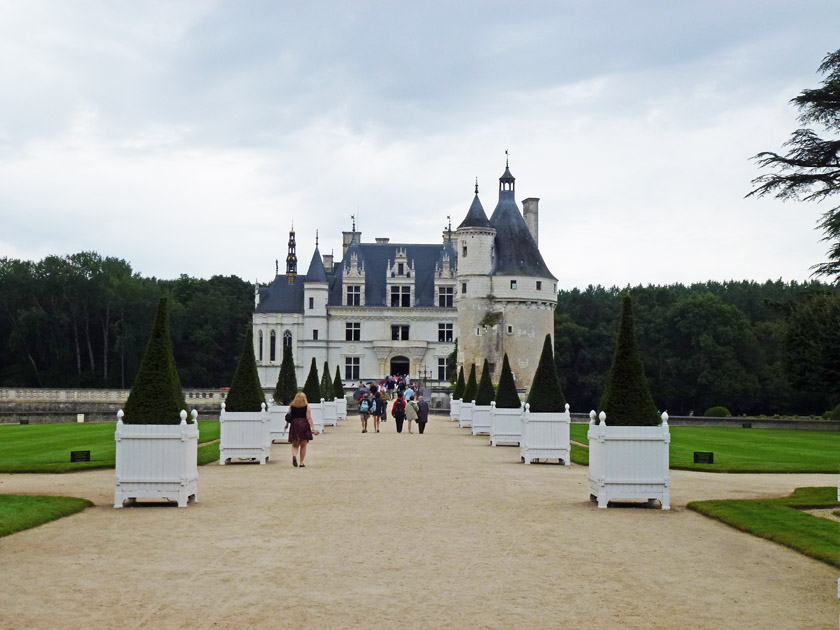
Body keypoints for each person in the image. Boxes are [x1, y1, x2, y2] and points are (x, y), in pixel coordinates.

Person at [287, 391, 319, 467]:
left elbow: (289, 417)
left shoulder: (292, 406)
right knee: (303, 445)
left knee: (295, 445)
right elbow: (309, 418)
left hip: (294, 424)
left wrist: (286, 424)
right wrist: (313, 428)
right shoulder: (306, 407)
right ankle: (301, 463)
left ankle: (294, 456)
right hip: (304, 424)